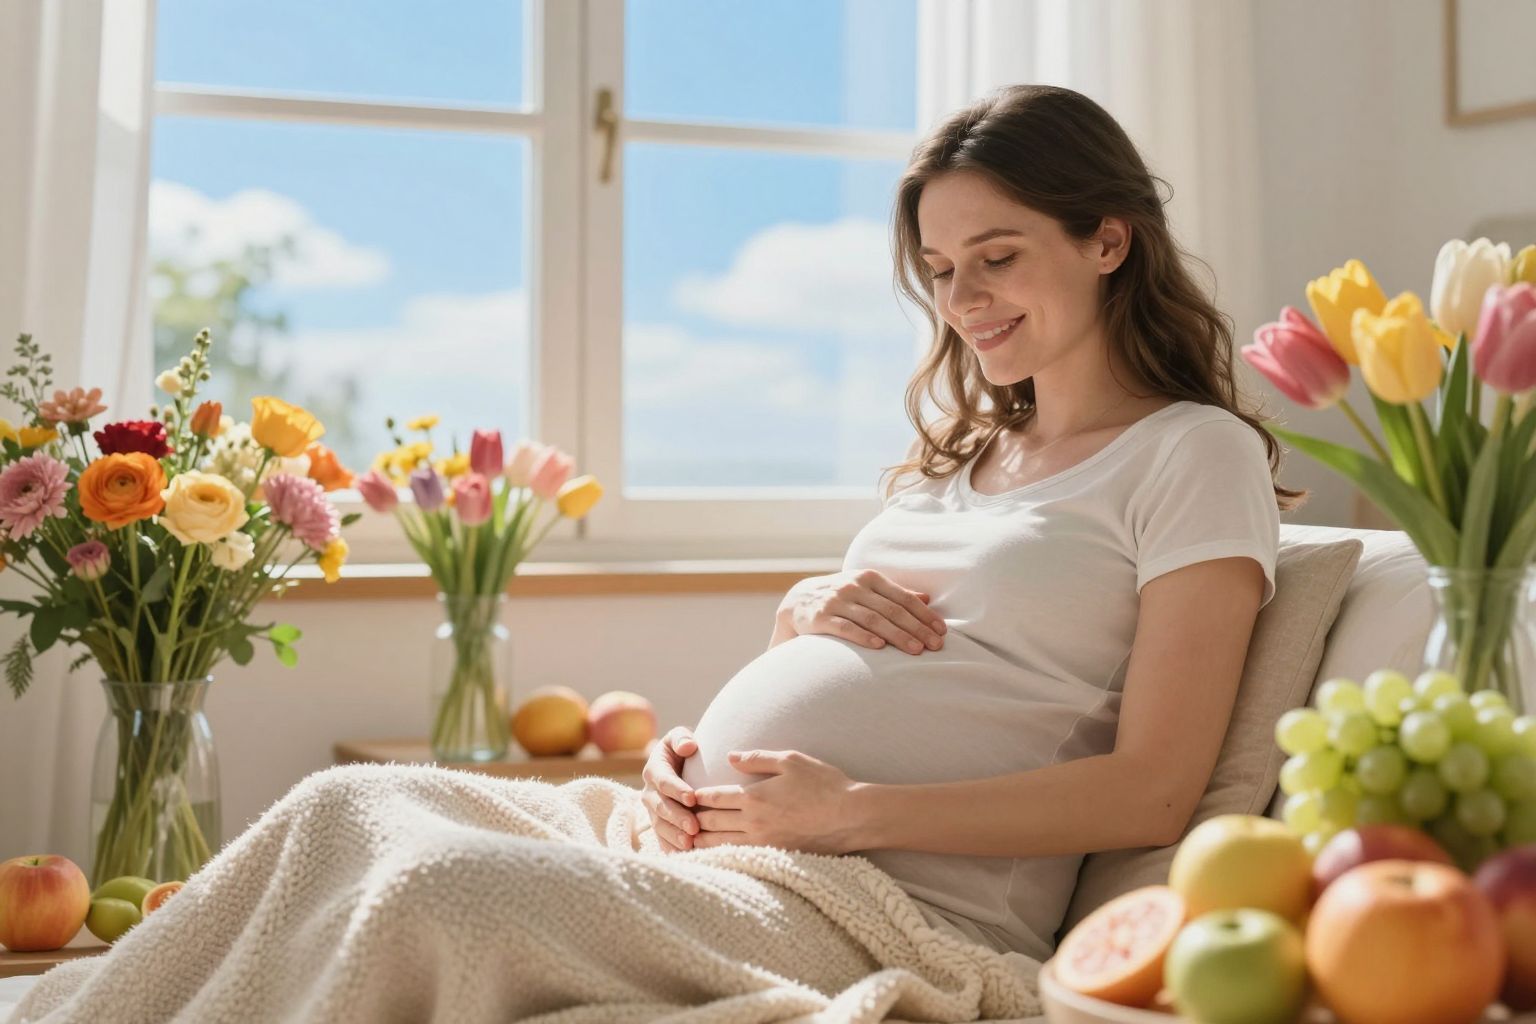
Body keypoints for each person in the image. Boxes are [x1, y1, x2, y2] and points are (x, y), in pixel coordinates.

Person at [639, 83, 1304, 963]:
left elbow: (1155, 792)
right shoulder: (959, 458)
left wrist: (852, 814)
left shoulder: (1193, 452)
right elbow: (858, 683)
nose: (962, 300)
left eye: (997, 257)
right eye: (942, 269)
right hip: (722, 857)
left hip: (892, 909)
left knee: (466, 891)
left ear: (1108, 242)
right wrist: (690, 760)